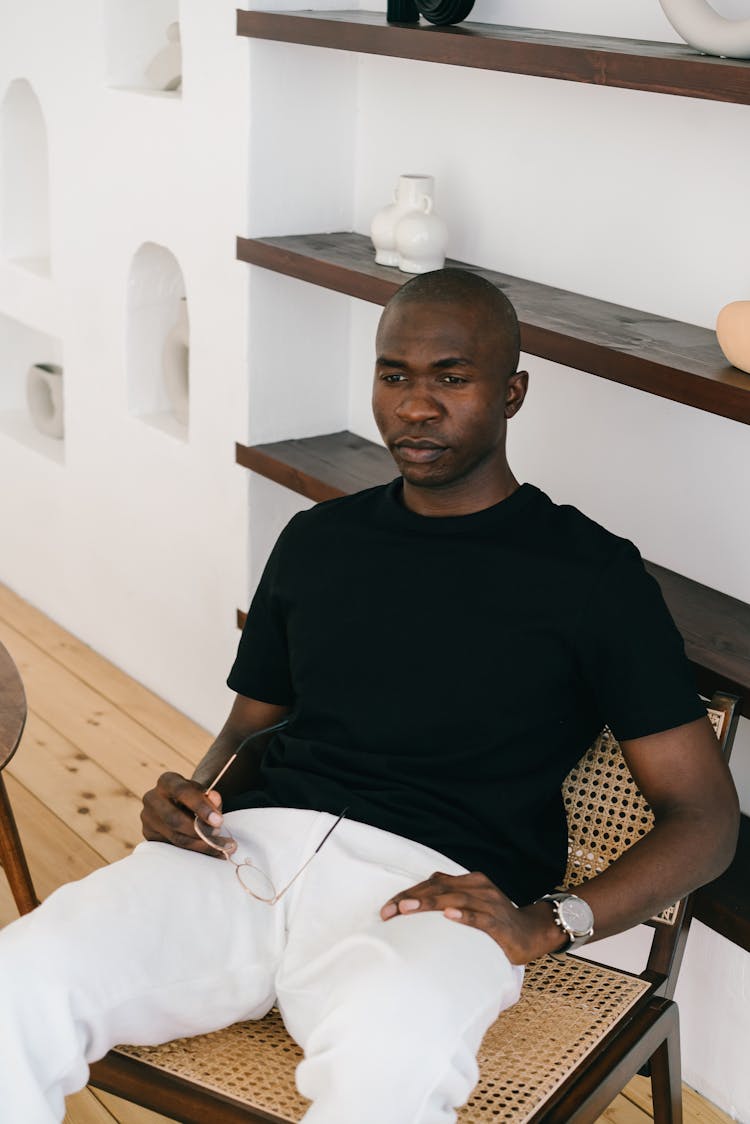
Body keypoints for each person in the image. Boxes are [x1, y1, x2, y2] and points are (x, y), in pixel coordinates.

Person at [0, 270, 739, 1124]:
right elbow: (252, 722)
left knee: (389, 1068)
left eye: (451, 377)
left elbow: (705, 819)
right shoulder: (320, 540)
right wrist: (190, 797)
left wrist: (549, 922)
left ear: (513, 392)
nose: (416, 406)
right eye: (395, 375)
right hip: (243, 862)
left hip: (431, 896)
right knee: (23, 978)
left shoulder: (592, 577)